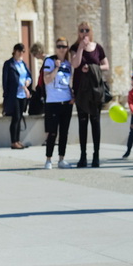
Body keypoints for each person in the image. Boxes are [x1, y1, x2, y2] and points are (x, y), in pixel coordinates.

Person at [70, 22, 109, 167]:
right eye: (81, 30)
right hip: (81, 90)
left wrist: (93, 67)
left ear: (91, 31)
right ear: (78, 32)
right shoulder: (74, 48)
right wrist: (80, 47)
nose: (84, 32)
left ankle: (96, 155)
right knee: (82, 122)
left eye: (87, 30)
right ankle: (83, 156)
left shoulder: (97, 47)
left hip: (95, 90)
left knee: (95, 122)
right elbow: (75, 64)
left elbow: (106, 65)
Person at [42, 38, 75, 169]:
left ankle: (61, 159)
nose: (62, 49)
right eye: (59, 46)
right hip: (53, 102)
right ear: (55, 48)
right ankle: (48, 159)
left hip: (66, 101)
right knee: (52, 132)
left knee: (64, 132)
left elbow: (69, 82)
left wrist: (73, 95)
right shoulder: (50, 61)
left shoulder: (68, 64)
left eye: (64, 46)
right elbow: (46, 80)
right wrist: (56, 67)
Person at [2, 44, 31, 150]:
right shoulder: (9, 64)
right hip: (13, 95)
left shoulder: (23, 64)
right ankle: (13, 141)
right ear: (15, 51)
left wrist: (28, 81)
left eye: (23, 51)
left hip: (23, 94)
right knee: (16, 117)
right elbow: (5, 80)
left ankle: (18, 140)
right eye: (19, 51)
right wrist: (6, 94)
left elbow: (28, 76)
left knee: (20, 117)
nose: (21, 53)